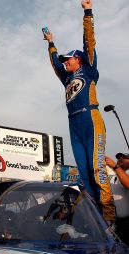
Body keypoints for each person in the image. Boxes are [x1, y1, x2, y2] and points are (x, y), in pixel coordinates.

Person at [43, 0, 115, 223]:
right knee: (84, 175)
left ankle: (110, 219)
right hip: (74, 125)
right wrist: (51, 44)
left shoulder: (89, 69)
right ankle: (95, 221)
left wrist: (87, 12)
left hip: (91, 119)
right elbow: (55, 64)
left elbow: (89, 42)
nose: (65, 62)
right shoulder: (67, 78)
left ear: (79, 60)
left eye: (69, 59)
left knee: (97, 170)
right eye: (65, 60)